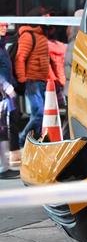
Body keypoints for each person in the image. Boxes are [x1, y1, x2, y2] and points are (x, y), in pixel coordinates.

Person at [15, 15, 50, 148]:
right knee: (39, 113)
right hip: (32, 81)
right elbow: (20, 58)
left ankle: (33, 142)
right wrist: (22, 78)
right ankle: (22, 139)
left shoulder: (41, 36)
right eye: (46, 17)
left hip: (41, 81)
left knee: (39, 114)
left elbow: (45, 60)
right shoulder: (29, 35)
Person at [0, 22, 20, 167]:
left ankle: (6, 163)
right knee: (4, 126)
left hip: (6, 93)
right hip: (3, 91)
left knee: (10, 123)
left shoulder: (3, 46)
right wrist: (6, 85)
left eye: (6, 25)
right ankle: (3, 165)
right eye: (1, 25)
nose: (4, 27)